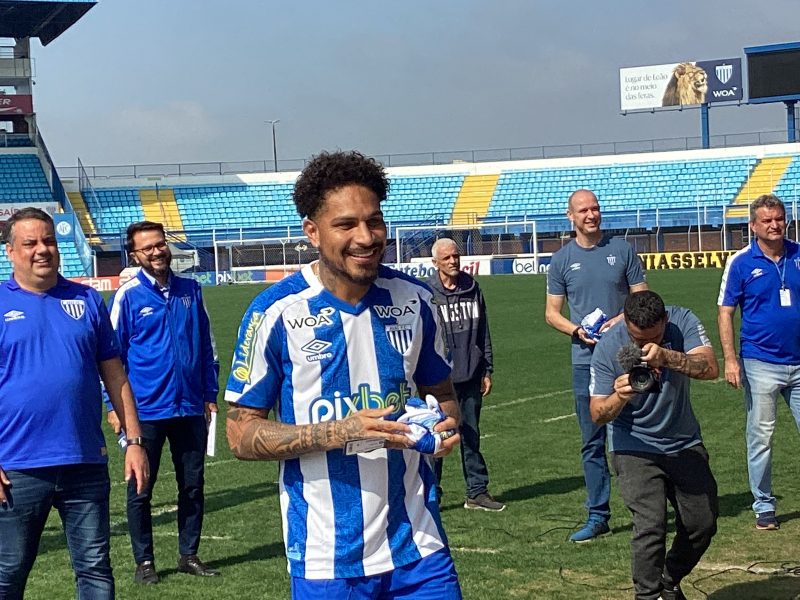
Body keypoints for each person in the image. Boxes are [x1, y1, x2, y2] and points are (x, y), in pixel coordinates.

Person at [225, 150, 463, 599]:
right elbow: (239, 434)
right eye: (346, 225)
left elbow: (443, 394)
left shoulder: (415, 300)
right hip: (326, 558)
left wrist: (445, 425)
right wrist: (338, 431)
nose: (366, 237)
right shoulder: (275, 313)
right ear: (312, 232)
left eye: (374, 222)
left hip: (419, 548)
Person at [0, 207, 149, 599]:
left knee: (96, 570)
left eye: (48, 240)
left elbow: (115, 375)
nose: (42, 250)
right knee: (8, 572)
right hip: (16, 467)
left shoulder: (86, 300)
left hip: (84, 461)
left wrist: (134, 442)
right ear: (11, 251)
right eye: (30, 243)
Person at [107, 221, 220, 584]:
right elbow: (109, 356)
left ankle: (189, 554)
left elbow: (207, 345)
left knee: (193, 484)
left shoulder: (191, 290)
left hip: (189, 407)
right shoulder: (128, 296)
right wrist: (114, 407)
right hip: (144, 412)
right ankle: (144, 562)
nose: (156, 252)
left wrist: (209, 395)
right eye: (147, 248)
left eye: (160, 245)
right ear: (135, 255)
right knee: (141, 487)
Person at [590, 290, 719, 600]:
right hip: (634, 444)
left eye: (653, 337)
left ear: (665, 320)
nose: (642, 345)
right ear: (627, 322)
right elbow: (597, 413)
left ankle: (669, 579)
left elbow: (710, 368)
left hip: (683, 440)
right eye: (635, 338)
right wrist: (621, 396)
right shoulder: (608, 347)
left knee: (703, 522)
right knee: (651, 526)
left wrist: (668, 356)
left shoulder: (683, 322)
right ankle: (647, 596)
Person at [544, 188, 648, 542]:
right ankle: (598, 514)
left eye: (595, 208)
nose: (591, 215)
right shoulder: (561, 260)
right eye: (584, 210)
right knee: (592, 441)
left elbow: (643, 298)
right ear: (570, 216)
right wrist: (577, 330)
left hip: (626, 357)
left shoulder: (622, 250)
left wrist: (621, 320)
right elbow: (551, 314)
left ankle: (646, 509)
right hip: (585, 362)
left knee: (637, 436)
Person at [717, 193, 800, 531]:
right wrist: (730, 359)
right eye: (766, 220)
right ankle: (764, 505)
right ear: (753, 226)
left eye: (778, 218)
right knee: (761, 436)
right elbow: (725, 312)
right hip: (759, 361)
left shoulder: (798, 255)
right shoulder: (740, 262)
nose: (774, 224)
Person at [427, 237, 503, 511]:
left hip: (471, 373)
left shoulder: (473, 289)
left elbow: (484, 331)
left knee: (471, 435)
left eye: (456, 256)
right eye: (447, 258)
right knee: (437, 439)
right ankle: (430, 495)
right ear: (435, 263)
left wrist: (487, 368)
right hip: (438, 382)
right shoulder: (428, 294)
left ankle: (477, 492)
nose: (453, 261)